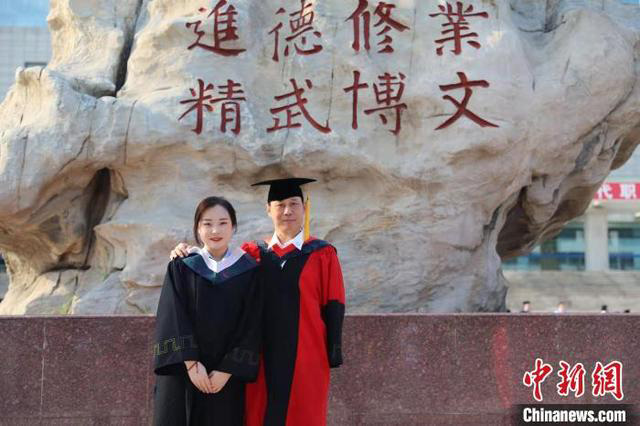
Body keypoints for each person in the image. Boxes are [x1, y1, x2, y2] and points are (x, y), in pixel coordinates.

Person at [171, 178, 346, 426]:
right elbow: (217, 264)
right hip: (258, 357)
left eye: (294, 204)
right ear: (268, 210)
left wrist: (332, 353)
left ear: (305, 208)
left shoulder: (322, 253)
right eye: (280, 205)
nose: (287, 211)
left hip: (307, 357)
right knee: (258, 415)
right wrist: (189, 251)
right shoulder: (252, 253)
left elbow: (334, 305)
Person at [153, 196, 263, 426]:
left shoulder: (249, 271)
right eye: (207, 223)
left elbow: (252, 324)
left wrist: (227, 370)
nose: (215, 230)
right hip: (183, 373)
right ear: (197, 228)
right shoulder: (181, 266)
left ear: (233, 226)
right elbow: (172, 316)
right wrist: (191, 363)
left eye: (223, 223)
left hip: (225, 378)